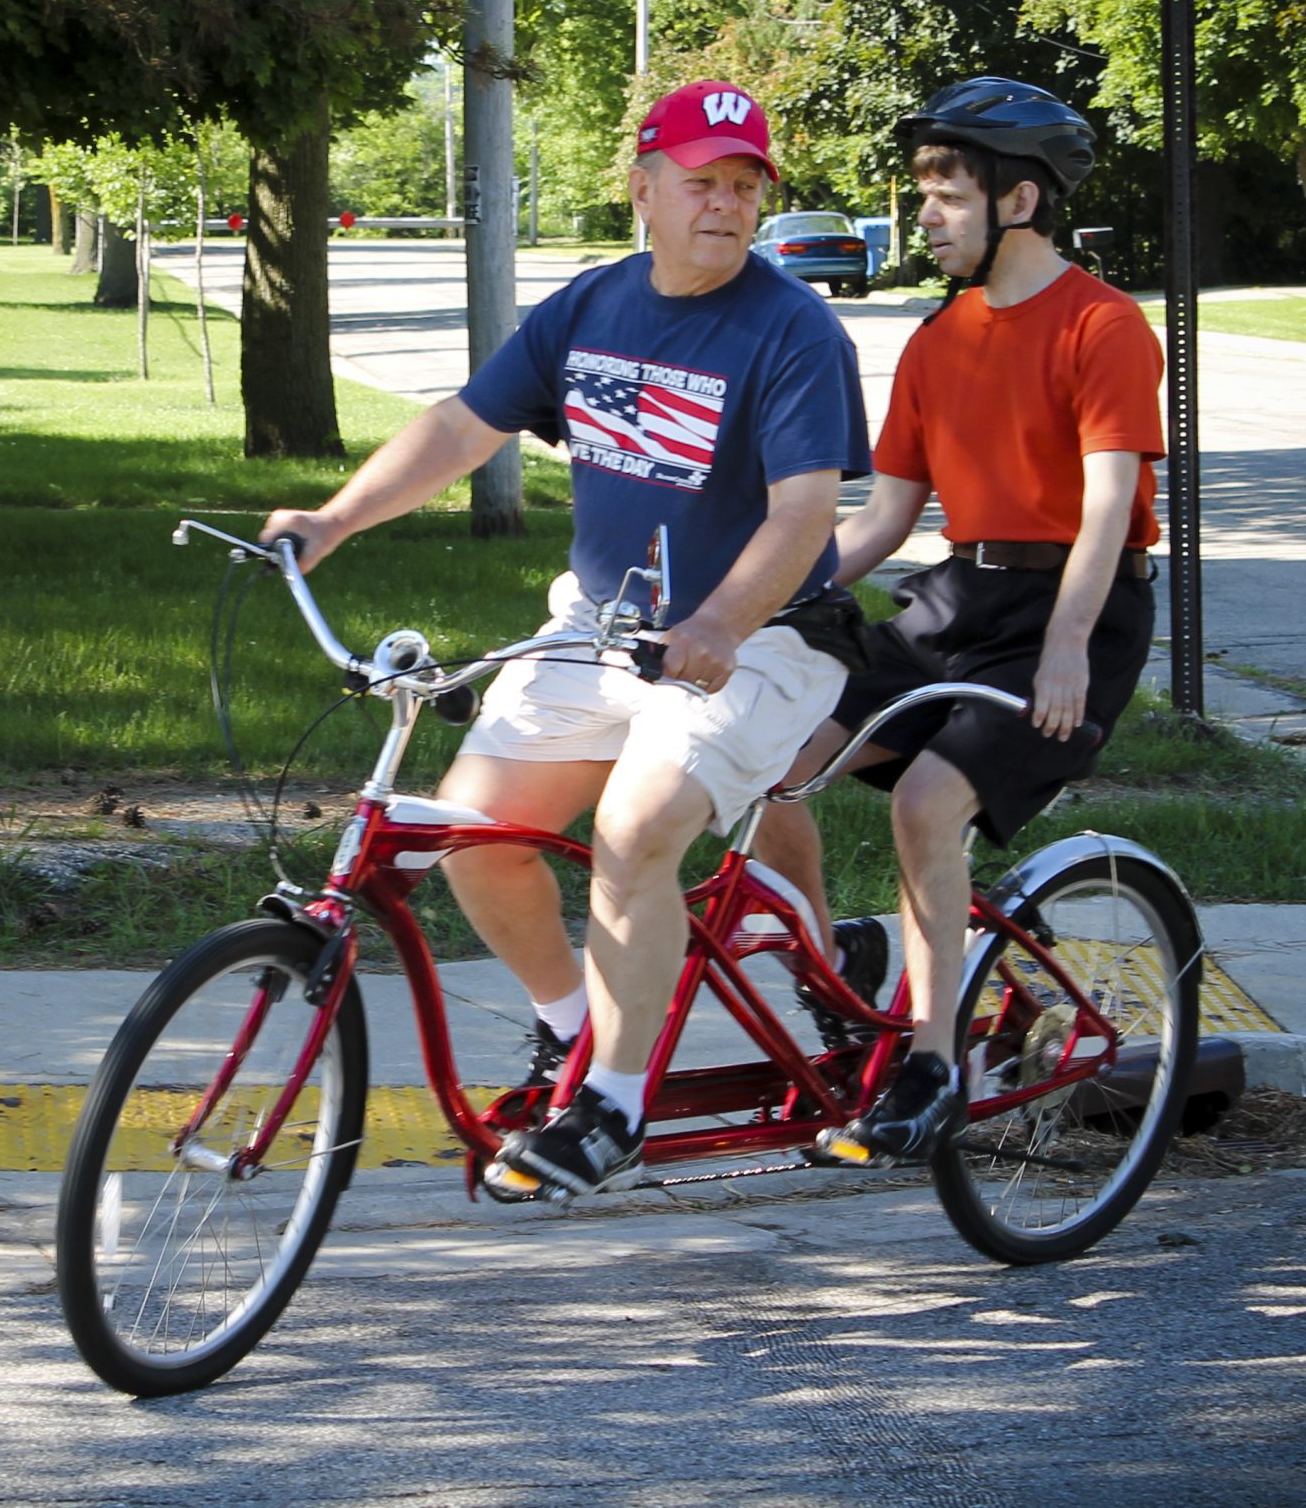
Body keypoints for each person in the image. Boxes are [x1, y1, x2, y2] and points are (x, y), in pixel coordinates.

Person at [261, 80, 870, 1201]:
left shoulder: (793, 329)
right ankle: (575, 1030)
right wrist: (334, 520)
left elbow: (803, 513)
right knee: (472, 836)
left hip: (762, 639)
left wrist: (721, 621)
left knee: (635, 831)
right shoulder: (590, 306)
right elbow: (462, 426)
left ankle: (615, 1108)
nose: (726, 204)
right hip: (600, 628)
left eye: (745, 185)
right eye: (702, 182)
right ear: (643, 189)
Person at [757, 77, 1166, 1169]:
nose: (925, 215)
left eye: (947, 194)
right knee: (763, 761)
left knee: (926, 804)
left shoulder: (1104, 324)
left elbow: (1109, 509)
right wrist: (764, 593)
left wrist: (1068, 646)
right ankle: (842, 969)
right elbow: (885, 517)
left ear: (1018, 201)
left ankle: (930, 1068)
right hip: (957, 599)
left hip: (1076, 609)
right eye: (924, 192)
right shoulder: (939, 340)